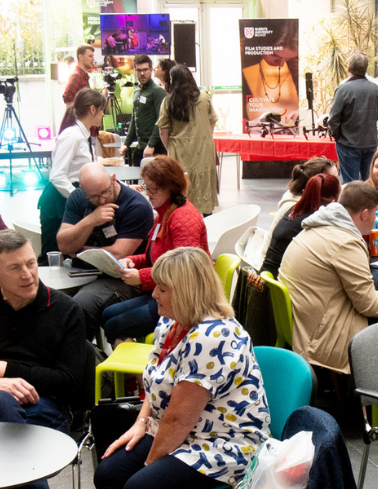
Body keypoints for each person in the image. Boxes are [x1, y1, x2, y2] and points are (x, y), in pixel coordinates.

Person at [95, 247, 268, 489]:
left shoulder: (212, 337)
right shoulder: (171, 320)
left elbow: (178, 420)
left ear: (188, 293)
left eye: (162, 289)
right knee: (108, 475)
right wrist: (140, 423)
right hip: (182, 428)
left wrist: (148, 468)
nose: (154, 294)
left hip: (221, 443)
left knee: (139, 487)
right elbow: (157, 379)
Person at [0, 232, 90, 489]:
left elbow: (69, 384)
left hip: (46, 411)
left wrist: (3, 369)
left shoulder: (66, 310)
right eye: (15, 267)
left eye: (31, 263)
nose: (28, 274)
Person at [278, 182, 378, 373]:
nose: (376, 219)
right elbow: (367, 306)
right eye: (375, 213)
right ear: (364, 214)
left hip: (304, 328)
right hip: (323, 337)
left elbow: (335, 287)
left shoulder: (317, 227)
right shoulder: (347, 243)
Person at [98, 156, 209, 343]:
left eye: (152, 189)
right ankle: (136, 367)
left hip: (184, 301)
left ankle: (140, 371)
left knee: (113, 325)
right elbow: (155, 255)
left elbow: (182, 270)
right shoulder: (164, 214)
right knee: (107, 314)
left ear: (169, 188)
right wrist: (134, 260)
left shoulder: (182, 217)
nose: (148, 193)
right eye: (147, 187)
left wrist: (141, 277)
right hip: (165, 292)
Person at [58, 163, 153, 336]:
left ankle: (84, 356)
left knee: (81, 305)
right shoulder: (78, 198)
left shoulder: (137, 206)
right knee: (50, 299)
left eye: (105, 192)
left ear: (114, 179)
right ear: (83, 191)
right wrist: (90, 221)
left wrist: (79, 250)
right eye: (94, 197)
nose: (102, 200)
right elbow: (63, 244)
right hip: (79, 271)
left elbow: (118, 253)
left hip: (121, 277)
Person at [42, 88, 108, 255]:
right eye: (102, 110)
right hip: (59, 199)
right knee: (55, 253)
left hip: (68, 196)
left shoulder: (82, 135)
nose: (103, 115)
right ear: (92, 109)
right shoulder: (73, 136)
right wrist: (78, 199)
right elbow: (57, 176)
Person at [158, 65, 219, 216]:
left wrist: (169, 148)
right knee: (203, 185)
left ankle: (183, 220)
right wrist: (205, 138)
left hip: (179, 151)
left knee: (182, 185)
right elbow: (212, 122)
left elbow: (163, 130)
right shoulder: (204, 97)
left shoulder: (168, 101)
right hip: (203, 150)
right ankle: (205, 221)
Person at [261, 172, 339, 278]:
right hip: (281, 282)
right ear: (333, 201)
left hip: (268, 276)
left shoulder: (294, 210)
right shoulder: (313, 223)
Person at [328, 53, 378, 184]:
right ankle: (370, 205)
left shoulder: (343, 89)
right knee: (370, 182)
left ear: (348, 68)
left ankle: (351, 205)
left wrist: (337, 136)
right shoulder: (375, 89)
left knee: (350, 184)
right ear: (366, 69)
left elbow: (334, 118)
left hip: (348, 143)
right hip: (370, 143)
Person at [268, 158, 335, 233]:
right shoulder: (299, 210)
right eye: (334, 181)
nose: (339, 184)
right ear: (318, 184)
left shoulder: (300, 200)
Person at [125, 54, 166, 163]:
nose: (142, 73)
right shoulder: (136, 92)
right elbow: (134, 119)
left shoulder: (158, 92)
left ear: (151, 70)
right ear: (135, 71)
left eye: (145, 70)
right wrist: (126, 143)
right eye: (139, 70)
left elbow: (161, 120)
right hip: (140, 147)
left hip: (156, 148)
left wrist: (151, 144)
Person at [60, 43, 96, 133]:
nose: (93, 59)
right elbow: (67, 97)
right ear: (81, 57)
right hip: (77, 124)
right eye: (90, 56)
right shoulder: (76, 76)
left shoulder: (82, 76)